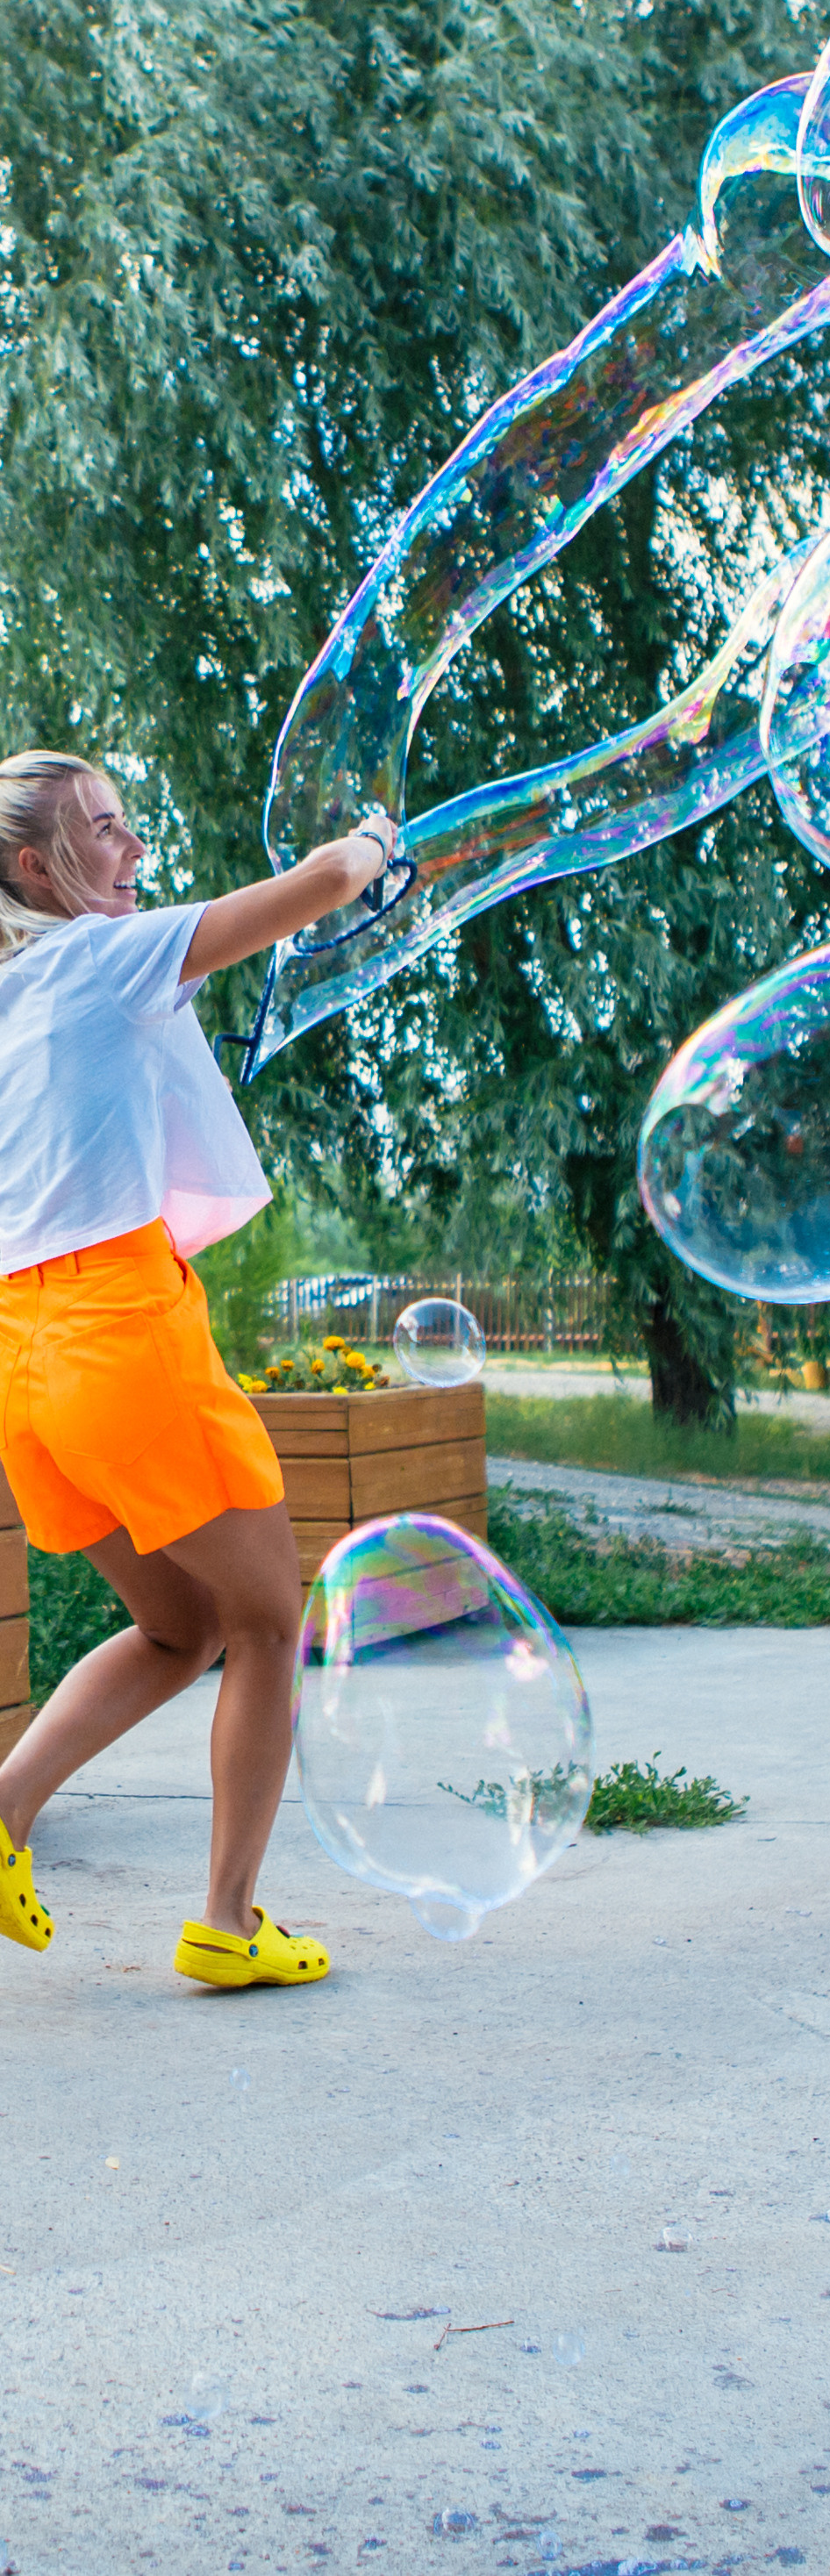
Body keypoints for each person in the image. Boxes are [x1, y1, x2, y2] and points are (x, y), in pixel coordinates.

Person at [0, 751, 398, 1989]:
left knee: (178, 1627)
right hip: (121, 1327)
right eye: (110, 832)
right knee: (269, 1624)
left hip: (24, 1356)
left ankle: (1, 1813)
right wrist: (377, 843)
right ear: (35, 867)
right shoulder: (96, 957)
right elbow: (324, 880)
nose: (136, 853)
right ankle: (229, 1920)